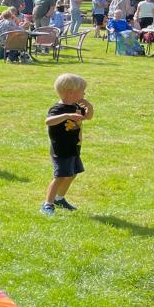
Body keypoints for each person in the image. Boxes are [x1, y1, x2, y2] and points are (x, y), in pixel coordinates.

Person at [41, 74, 93, 215]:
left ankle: (59, 198)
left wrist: (89, 107)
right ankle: (47, 204)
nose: (84, 93)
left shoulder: (76, 106)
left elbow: (87, 117)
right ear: (71, 92)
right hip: (61, 150)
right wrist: (66, 116)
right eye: (82, 91)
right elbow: (48, 121)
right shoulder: (58, 109)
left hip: (73, 148)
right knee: (60, 177)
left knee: (72, 173)